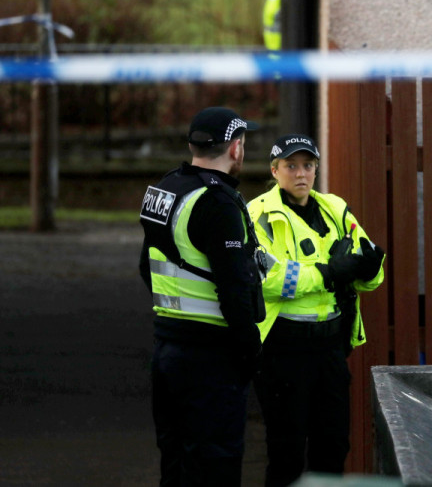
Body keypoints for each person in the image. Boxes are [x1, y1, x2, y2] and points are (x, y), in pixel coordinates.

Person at [247, 133, 385, 487]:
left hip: (330, 348)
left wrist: (367, 270)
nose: (300, 174)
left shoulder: (335, 208)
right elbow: (270, 280)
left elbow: (369, 271)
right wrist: (331, 272)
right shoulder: (258, 214)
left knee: (334, 446)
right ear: (274, 170)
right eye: (291, 166)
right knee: (286, 452)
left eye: (307, 165)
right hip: (283, 349)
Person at [139, 107, 266, 486]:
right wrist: (251, 351)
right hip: (211, 360)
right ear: (236, 148)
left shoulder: (168, 187)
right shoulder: (218, 202)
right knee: (215, 466)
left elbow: (147, 268)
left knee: (176, 462)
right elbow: (234, 289)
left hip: (167, 350)